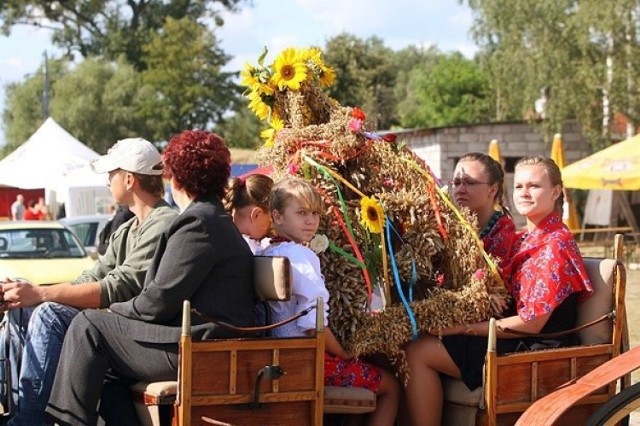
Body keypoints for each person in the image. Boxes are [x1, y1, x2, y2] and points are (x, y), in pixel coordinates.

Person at [45, 130, 256, 426]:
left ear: (177, 178)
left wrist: (108, 311)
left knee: (89, 327)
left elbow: (156, 302)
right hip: (203, 341)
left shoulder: (198, 222)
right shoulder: (210, 218)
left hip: (201, 348)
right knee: (101, 363)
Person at [404, 156, 594, 425]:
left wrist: (460, 328)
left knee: (419, 351)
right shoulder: (525, 239)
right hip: (512, 336)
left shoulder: (555, 246)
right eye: (519, 186)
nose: (525, 193)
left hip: (537, 347)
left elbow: (531, 323)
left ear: (556, 191)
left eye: (534, 186)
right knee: (416, 339)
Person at [0, 137, 177, 426]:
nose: (108, 181)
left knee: (48, 313)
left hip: (142, 337)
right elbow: (93, 275)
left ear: (130, 179)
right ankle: (23, 413)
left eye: (112, 174)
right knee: (24, 307)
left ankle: (30, 421)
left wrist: (42, 294)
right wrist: (26, 292)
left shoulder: (162, 223)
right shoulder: (131, 227)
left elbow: (117, 286)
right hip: (117, 328)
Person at [262, 177, 400, 426]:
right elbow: (314, 322)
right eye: (301, 213)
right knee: (390, 386)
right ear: (278, 216)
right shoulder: (300, 255)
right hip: (306, 363)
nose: (310, 221)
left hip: (276, 357)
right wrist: (344, 352)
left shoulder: (266, 250)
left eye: (315, 213)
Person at [450, 152, 516, 268]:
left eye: (470, 183)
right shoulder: (447, 229)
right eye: (456, 183)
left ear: (493, 190)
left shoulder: (506, 237)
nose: (460, 190)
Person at [223, 174, 274, 254]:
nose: (271, 227)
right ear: (256, 215)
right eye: (271, 220)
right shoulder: (246, 249)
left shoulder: (221, 236)